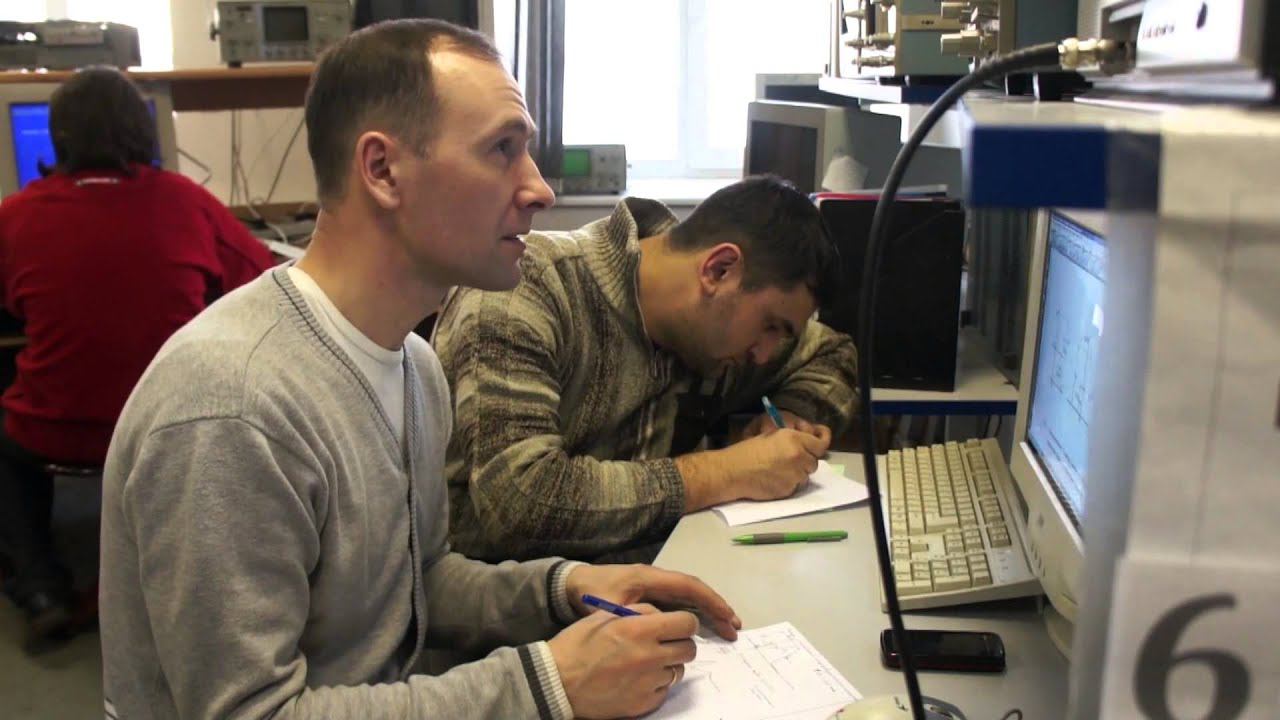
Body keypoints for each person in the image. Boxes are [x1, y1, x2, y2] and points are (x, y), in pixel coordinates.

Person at [100, 19, 740, 720]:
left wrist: (564, 587)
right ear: (382, 171)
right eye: (502, 149)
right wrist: (548, 683)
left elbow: (417, 584)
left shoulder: (414, 364)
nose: (539, 189)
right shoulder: (233, 406)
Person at [433, 175, 858, 563]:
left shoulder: (716, 336)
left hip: (653, 587)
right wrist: (730, 471)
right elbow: (520, 503)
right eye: (770, 326)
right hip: (514, 611)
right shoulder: (520, 291)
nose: (764, 355)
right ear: (719, 270)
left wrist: (793, 413)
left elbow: (833, 353)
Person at [0, 67, 273, 649]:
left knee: (8, 438)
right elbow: (263, 278)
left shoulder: (15, 216)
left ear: (58, 136)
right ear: (143, 132)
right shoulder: (187, 202)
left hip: (56, 432)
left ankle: (41, 587)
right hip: (168, 426)